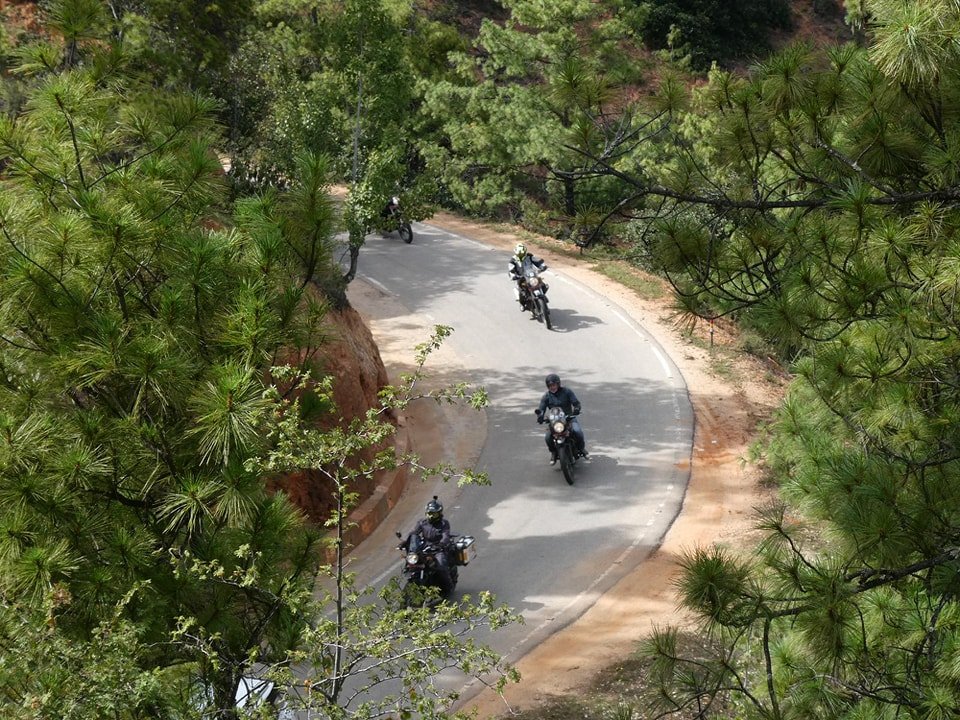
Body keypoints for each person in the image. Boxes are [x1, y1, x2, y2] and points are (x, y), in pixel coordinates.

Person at [407, 496, 455, 594]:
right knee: (411, 562)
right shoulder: (422, 523)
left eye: (434, 514)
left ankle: (448, 587)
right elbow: (414, 533)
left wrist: (441, 544)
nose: (431, 516)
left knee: (441, 566)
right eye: (430, 513)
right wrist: (407, 542)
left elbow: (445, 536)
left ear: (440, 513)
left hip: (438, 549)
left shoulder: (444, 524)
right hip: (425, 548)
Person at [535, 373, 587, 464]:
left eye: (554, 385)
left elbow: (576, 403)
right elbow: (541, 408)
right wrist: (540, 416)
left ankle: (582, 449)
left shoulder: (567, 392)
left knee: (578, 431)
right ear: (547, 386)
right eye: (550, 385)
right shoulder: (546, 396)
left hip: (569, 418)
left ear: (558, 384)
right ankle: (554, 452)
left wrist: (577, 409)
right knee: (547, 437)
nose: (552, 387)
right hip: (554, 421)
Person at [507, 243, 547, 311]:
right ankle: (522, 304)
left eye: (522, 253)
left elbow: (538, 261)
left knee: (544, 285)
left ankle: (542, 297)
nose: (521, 255)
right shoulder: (512, 261)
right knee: (522, 293)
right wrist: (514, 276)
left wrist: (542, 266)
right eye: (519, 254)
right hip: (521, 278)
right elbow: (511, 270)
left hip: (531, 275)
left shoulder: (530, 256)